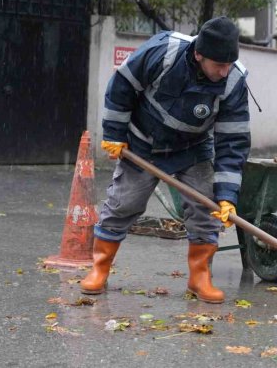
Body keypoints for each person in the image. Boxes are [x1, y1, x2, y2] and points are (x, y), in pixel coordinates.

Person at [80, 16, 250, 304]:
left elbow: (232, 141)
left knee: (204, 210)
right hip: (143, 143)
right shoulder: (163, 52)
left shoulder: (233, 80)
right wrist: (114, 133)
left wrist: (226, 196)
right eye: (218, 65)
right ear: (199, 55)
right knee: (124, 203)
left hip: (192, 149)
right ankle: (99, 268)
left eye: (229, 64)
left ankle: (200, 278)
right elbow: (122, 87)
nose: (224, 72)